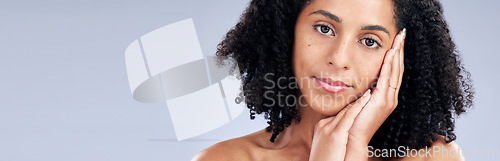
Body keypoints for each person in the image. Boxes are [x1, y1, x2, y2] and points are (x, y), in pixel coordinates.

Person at [193, 0, 473, 160]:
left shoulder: (433, 158)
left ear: (400, 56)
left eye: (369, 41)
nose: (339, 58)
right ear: (287, 32)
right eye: (324, 28)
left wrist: (356, 142)